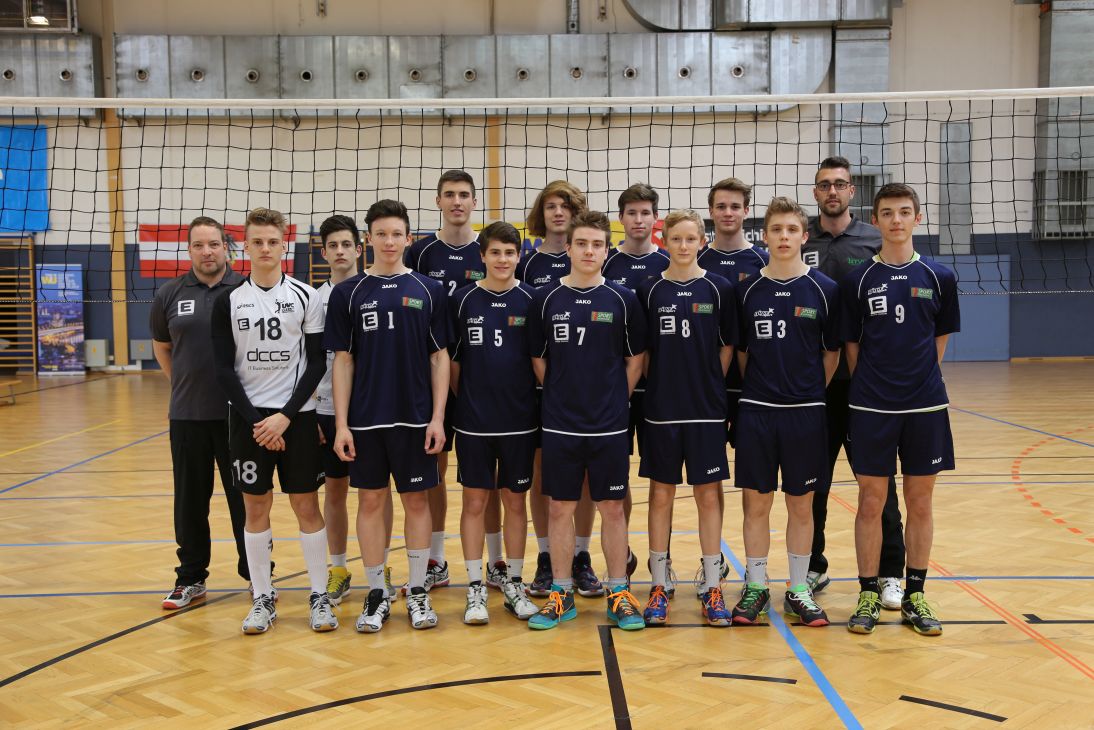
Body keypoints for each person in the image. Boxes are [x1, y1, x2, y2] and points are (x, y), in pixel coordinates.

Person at [326, 199, 450, 633]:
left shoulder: (428, 290)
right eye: (381, 234)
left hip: (416, 418)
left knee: (416, 501)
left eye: (397, 234)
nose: (390, 241)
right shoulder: (348, 293)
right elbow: (343, 362)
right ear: (369, 240)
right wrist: (341, 425)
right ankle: (377, 591)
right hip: (366, 420)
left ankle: (416, 591)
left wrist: (438, 417)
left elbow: (440, 357)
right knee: (371, 501)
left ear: (408, 239)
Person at [843, 183, 959, 636]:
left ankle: (916, 594)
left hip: (925, 406)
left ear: (917, 218)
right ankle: (868, 592)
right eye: (888, 212)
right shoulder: (858, 280)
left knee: (920, 501)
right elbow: (852, 346)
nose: (896, 220)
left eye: (904, 212)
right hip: (872, 407)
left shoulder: (939, 277)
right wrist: (875, 387)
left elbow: (939, 340)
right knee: (871, 501)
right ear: (875, 220)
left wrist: (918, 383)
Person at [210, 207, 333, 634]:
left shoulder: (306, 296)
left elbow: (316, 363)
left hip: (297, 418)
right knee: (255, 505)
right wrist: (257, 422)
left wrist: (285, 416)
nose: (265, 248)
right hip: (249, 421)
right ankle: (262, 596)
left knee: (306, 505)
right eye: (257, 242)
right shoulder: (228, 301)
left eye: (273, 242)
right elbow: (223, 369)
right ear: (245, 246)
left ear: (285, 246)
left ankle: (319, 596)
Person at [526, 210, 647, 631]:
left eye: (597, 244)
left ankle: (619, 592)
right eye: (582, 244)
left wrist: (613, 399)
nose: (589, 251)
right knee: (560, 506)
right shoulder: (545, 299)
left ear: (606, 250)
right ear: (569, 248)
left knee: (612, 507)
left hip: (609, 424)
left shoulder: (622, 299)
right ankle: (561, 595)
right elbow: (538, 359)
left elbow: (635, 361)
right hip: (560, 424)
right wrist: (563, 395)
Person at [731, 197, 840, 628]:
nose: (783, 236)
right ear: (764, 236)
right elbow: (743, 354)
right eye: (776, 229)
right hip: (757, 411)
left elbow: (831, 355)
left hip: (805, 413)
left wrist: (806, 393)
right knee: (756, 504)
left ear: (804, 236)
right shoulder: (746, 291)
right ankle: (756, 586)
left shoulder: (824, 290)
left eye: (791, 229)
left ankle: (798, 589)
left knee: (801, 504)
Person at [804, 157, 906, 609]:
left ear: (851, 191)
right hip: (813, 384)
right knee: (813, 483)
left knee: (880, 486)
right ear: (815, 192)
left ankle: (890, 571)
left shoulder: (873, 240)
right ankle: (812, 563)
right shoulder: (800, 237)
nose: (832, 191)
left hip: (866, 385)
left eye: (840, 184)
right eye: (825, 184)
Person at [637, 209, 736, 627]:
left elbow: (726, 347)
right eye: (675, 238)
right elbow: (642, 352)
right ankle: (659, 584)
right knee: (660, 495)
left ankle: (712, 585)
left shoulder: (719, 288)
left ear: (702, 242)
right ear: (665, 241)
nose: (682, 245)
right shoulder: (648, 289)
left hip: (706, 410)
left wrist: (708, 384)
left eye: (690, 239)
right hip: (661, 410)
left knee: (708, 496)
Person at [151, 216, 249, 609]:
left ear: (226, 247)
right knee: (190, 502)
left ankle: (257, 576)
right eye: (198, 245)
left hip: (238, 416)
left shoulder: (245, 289)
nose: (207, 252)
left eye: (213, 244)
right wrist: (181, 384)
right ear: (189, 249)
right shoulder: (170, 293)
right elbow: (162, 345)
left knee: (246, 501)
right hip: (187, 415)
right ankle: (190, 578)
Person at [449, 221, 541, 624]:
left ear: (519, 256)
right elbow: (453, 363)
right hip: (474, 422)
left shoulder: (533, 300)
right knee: (474, 502)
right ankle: (475, 587)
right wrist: (471, 399)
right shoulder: (463, 300)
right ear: (482, 256)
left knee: (515, 502)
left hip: (520, 421)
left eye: (509, 252)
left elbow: (539, 362)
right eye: (495, 252)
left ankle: (515, 583)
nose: (502, 259)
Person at [517, 181, 603, 600]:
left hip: (585, 393)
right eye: (550, 206)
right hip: (538, 388)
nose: (557, 212)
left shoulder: (592, 258)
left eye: (565, 206)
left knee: (584, 477)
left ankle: (581, 555)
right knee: (541, 475)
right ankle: (547, 555)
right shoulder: (527, 264)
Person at [404, 170, 485, 591]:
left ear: (474, 202)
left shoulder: (489, 249)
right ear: (438, 201)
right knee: (432, 468)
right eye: (449, 194)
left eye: (464, 195)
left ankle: (494, 561)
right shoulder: (420, 253)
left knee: (485, 477)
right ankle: (435, 558)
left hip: (480, 378)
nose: (457, 201)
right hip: (430, 375)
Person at [314, 215, 395, 606]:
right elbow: (309, 361)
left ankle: (383, 567)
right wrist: (312, 411)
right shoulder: (314, 299)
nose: (341, 251)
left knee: (379, 491)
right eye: (333, 245)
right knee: (335, 489)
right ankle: (338, 568)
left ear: (359, 249)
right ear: (324, 252)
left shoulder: (374, 290)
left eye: (347, 244)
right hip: (329, 410)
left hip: (374, 408)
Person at [695, 177, 769, 589]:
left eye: (735, 206)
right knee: (709, 478)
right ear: (711, 211)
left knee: (753, 482)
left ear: (745, 212)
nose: (727, 212)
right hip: (705, 388)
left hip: (753, 388)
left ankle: (756, 564)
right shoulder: (696, 261)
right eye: (721, 206)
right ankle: (715, 559)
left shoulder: (762, 261)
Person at [602, 183, 670, 585]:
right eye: (632, 213)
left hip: (663, 389)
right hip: (618, 388)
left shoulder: (670, 261)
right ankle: (622, 553)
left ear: (655, 218)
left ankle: (662, 562)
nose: (639, 220)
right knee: (617, 477)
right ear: (621, 219)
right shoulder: (607, 263)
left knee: (664, 482)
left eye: (646, 213)